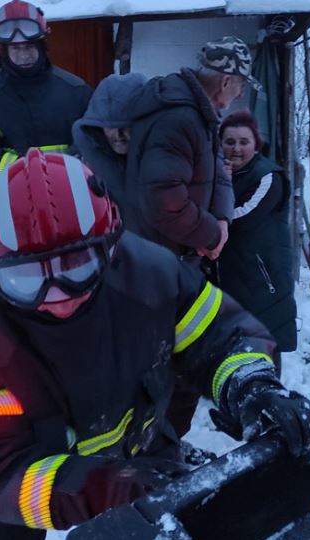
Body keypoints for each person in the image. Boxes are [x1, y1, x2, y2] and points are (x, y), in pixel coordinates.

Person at [0, 150, 310, 540]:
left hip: (142, 453)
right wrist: (100, 486)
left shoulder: (152, 277)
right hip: (29, 478)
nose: (58, 297)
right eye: (26, 279)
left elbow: (223, 335)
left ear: (111, 244)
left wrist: (250, 384)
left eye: (76, 267)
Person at [125, 35, 262, 265]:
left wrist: (221, 219)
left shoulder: (201, 115)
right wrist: (210, 235)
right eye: (242, 85)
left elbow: (219, 171)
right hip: (158, 260)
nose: (241, 93)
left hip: (172, 254)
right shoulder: (179, 119)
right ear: (226, 81)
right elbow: (164, 200)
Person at [0, 0, 92, 183]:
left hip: (70, 188)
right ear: (5, 51)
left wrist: (61, 170)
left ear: (42, 46)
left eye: (29, 46)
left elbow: (92, 141)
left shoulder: (76, 90)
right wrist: (25, 172)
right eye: (15, 48)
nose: (23, 55)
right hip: (11, 191)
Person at [218, 110, 297, 367]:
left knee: (264, 345)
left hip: (264, 279)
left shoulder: (268, 176)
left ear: (256, 145)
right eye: (230, 142)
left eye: (244, 142)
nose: (236, 149)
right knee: (234, 348)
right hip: (233, 276)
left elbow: (241, 218)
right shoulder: (220, 173)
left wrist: (211, 214)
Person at [71, 72, 148, 226]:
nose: (119, 135)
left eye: (126, 126)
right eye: (109, 127)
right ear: (96, 128)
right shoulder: (80, 171)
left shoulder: (164, 162)